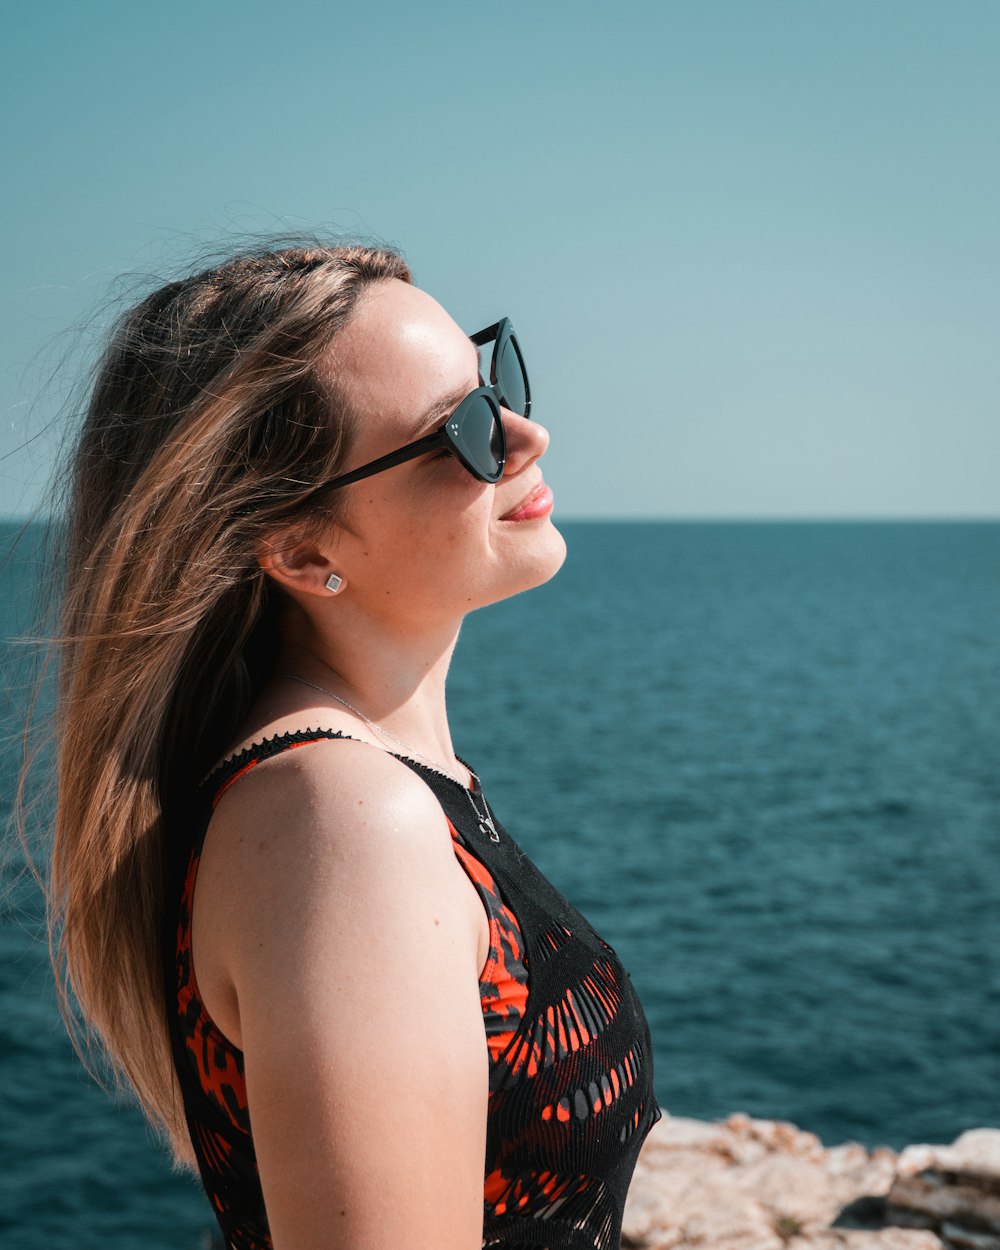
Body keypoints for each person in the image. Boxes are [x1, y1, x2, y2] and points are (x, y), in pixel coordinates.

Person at [46, 241, 661, 1249]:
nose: (524, 433)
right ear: (300, 550)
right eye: (458, 431)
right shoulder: (341, 820)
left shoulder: (364, 787)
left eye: (491, 379)